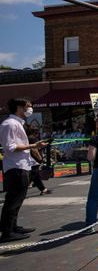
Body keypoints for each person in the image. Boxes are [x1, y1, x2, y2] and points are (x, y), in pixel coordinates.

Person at [0, 98, 46, 242]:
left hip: (22, 166)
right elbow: (10, 147)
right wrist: (33, 146)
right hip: (16, 167)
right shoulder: (10, 124)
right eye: (28, 106)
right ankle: (7, 231)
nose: (30, 109)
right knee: (12, 201)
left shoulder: (18, 124)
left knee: (18, 200)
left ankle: (13, 227)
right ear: (19, 107)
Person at [26, 126, 51, 195]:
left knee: (35, 175)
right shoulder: (32, 139)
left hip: (30, 159)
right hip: (33, 159)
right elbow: (35, 149)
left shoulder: (27, 138)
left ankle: (43, 189)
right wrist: (40, 158)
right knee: (33, 174)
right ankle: (21, 188)